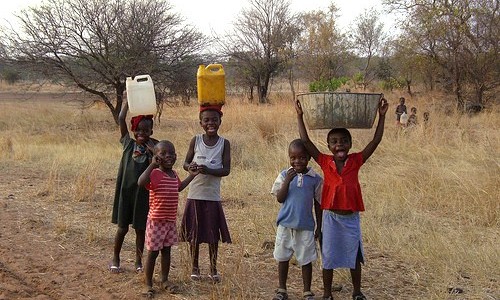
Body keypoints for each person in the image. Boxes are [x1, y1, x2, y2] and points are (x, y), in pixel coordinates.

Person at [295, 97, 388, 300]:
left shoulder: (356, 160)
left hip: (351, 217)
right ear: (328, 145)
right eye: (335, 142)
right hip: (331, 218)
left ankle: (357, 292)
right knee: (328, 256)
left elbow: (376, 141)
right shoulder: (324, 161)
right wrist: (300, 116)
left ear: (350, 144)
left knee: (354, 255)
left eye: (344, 141)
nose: (340, 145)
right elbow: (305, 141)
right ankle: (327, 294)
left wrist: (381, 116)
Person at [138, 140, 199, 298]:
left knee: (166, 252)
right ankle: (148, 283)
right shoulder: (155, 173)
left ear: (176, 156)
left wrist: (192, 176)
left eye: (171, 153)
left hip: (169, 221)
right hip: (156, 221)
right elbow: (140, 182)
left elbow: (178, 187)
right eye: (163, 153)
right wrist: (152, 165)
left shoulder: (173, 174)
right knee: (153, 253)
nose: (168, 156)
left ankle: (164, 280)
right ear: (156, 157)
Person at [180, 105, 232, 283]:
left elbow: (226, 170)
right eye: (207, 120)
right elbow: (185, 163)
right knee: (194, 234)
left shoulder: (224, 143)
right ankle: (195, 267)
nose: (211, 123)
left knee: (212, 236)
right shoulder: (196, 141)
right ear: (200, 122)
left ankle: (213, 267)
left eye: (214, 120)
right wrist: (191, 168)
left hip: (212, 196)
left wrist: (209, 170)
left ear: (220, 121)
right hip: (195, 194)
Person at [270, 139, 323, 300]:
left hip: (305, 226)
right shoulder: (284, 175)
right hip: (285, 224)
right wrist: (287, 181)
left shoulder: (315, 179)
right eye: (293, 158)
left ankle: (307, 291)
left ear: (309, 158)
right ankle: (282, 290)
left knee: (306, 260)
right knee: (282, 257)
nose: (297, 161)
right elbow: (280, 198)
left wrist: (319, 227)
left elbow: (318, 205)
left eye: (301, 157)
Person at [110, 99, 157, 274]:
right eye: (138, 130)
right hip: (126, 193)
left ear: (151, 131)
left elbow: (163, 164)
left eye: (146, 130)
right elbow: (121, 118)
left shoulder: (155, 146)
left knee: (140, 229)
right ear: (133, 130)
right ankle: (116, 257)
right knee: (122, 228)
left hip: (144, 195)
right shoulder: (128, 144)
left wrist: (154, 151)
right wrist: (128, 100)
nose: (141, 133)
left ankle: (138, 261)